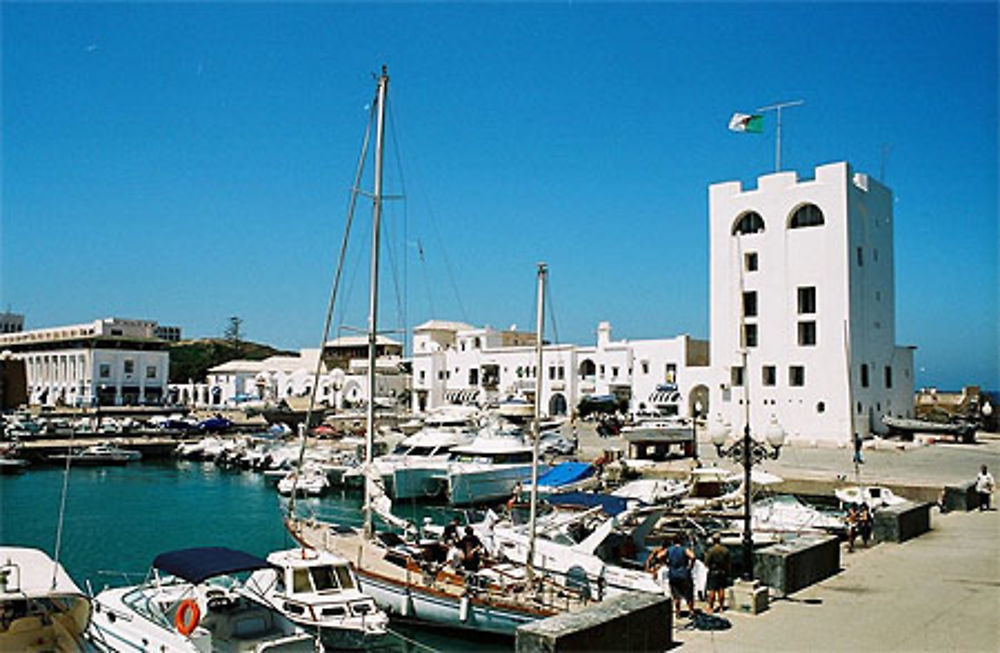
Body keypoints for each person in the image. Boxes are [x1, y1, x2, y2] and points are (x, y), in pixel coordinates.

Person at [666, 534, 696, 617]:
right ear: (682, 541)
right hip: (684, 574)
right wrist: (690, 566)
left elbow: (658, 556)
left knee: (676, 595)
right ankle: (691, 611)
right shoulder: (684, 549)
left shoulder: (669, 550)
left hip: (673, 574)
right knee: (688, 594)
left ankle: (678, 612)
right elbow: (693, 557)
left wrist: (666, 563)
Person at [704, 534, 731, 613]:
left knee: (712, 590)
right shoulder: (725, 550)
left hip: (713, 571)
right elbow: (728, 563)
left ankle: (711, 607)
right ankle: (721, 607)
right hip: (722, 571)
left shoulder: (710, 550)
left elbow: (706, 562)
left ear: (713, 540)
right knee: (721, 589)